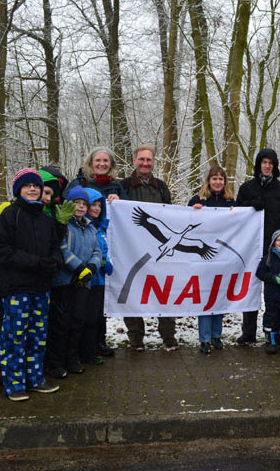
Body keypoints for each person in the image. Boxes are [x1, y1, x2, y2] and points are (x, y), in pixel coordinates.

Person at [0, 168, 62, 401]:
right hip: (16, 288)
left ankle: (35, 378)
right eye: (26, 186)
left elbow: (55, 248)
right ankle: (14, 384)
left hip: (41, 288)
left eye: (35, 185)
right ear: (18, 190)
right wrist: (36, 263)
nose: (32, 189)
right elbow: (3, 252)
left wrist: (54, 263)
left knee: (38, 335)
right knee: (15, 336)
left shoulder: (46, 219)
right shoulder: (9, 216)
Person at [235, 148, 280, 345]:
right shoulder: (247, 188)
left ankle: (276, 331)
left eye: (271, 163)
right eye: (264, 162)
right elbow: (235, 215)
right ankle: (248, 332)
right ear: (259, 165)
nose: (267, 166)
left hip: (276, 249)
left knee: (277, 291)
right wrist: (250, 203)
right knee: (251, 287)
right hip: (251, 246)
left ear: (275, 166)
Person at [120, 144, 178, 350]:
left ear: (154, 162)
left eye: (149, 160)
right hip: (131, 249)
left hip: (157, 250)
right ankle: (136, 338)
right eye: (141, 159)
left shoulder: (161, 187)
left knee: (164, 291)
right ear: (134, 160)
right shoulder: (124, 185)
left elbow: (170, 217)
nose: (145, 163)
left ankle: (168, 336)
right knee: (132, 290)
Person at [44, 185, 102, 378]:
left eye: (84, 204)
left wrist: (92, 268)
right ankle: (56, 362)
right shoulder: (64, 224)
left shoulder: (90, 227)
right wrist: (78, 268)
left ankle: (72, 358)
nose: (81, 207)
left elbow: (97, 251)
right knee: (61, 323)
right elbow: (62, 249)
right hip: (65, 281)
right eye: (76, 203)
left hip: (83, 281)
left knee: (77, 321)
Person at [188, 166, 236, 354]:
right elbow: (184, 222)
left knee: (219, 297)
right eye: (214, 179)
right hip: (203, 259)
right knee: (205, 297)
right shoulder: (197, 200)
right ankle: (204, 339)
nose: (218, 182)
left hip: (223, 258)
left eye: (221, 179)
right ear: (208, 181)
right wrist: (193, 211)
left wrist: (236, 213)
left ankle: (217, 335)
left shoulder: (230, 201)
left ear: (225, 182)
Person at [82, 188, 115, 361]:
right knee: (89, 317)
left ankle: (98, 344)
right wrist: (102, 262)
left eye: (99, 205)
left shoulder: (100, 228)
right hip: (89, 279)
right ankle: (88, 349)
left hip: (100, 280)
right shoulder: (86, 227)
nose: (97, 209)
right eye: (93, 205)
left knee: (99, 316)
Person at [256, 229, 280, 354]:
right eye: (278, 240)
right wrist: (272, 278)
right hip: (271, 294)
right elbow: (260, 273)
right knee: (270, 317)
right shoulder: (268, 258)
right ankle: (270, 341)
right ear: (273, 242)